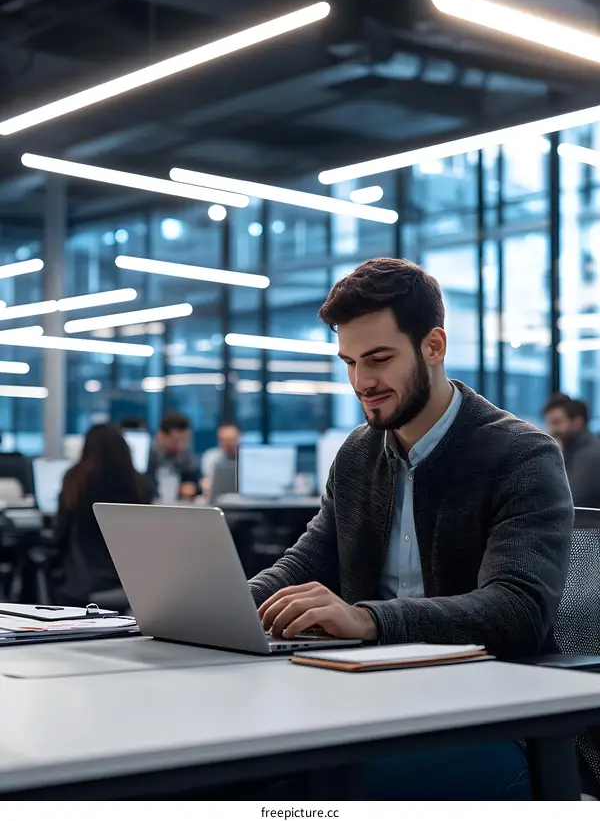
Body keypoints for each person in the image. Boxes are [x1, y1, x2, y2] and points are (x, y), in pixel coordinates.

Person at [248, 258, 573, 800]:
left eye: (378, 360)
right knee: (240, 766)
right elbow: (310, 560)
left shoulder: (520, 455)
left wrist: (367, 621)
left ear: (434, 346)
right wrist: (226, 607)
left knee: (305, 787)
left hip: (485, 717)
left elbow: (516, 609)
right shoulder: (357, 454)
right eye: (349, 362)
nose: (361, 382)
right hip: (368, 700)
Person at [53, 424, 151, 607]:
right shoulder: (139, 484)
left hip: (84, 580)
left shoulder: (76, 480)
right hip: (130, 579)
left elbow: (60, 535)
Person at [543, 393, 600, 508]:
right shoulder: (569, 450)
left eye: (557, 423)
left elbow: (572, 501)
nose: (551, 430)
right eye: (549, 423)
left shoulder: (591, 455)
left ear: (577, 423)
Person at [147, 412, 200, 501]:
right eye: (176, 440)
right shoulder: (147, 457)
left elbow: (195, 482)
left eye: (184, 440)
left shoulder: (186, 455)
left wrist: (193, 488)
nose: (181, 445)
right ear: (161, 436)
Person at [201, 422, 240, 499]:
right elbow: (208, 481)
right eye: (224, 440)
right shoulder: (210, 457)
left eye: (231, 439)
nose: (228, 443)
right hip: (218, 497)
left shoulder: (246, 458)